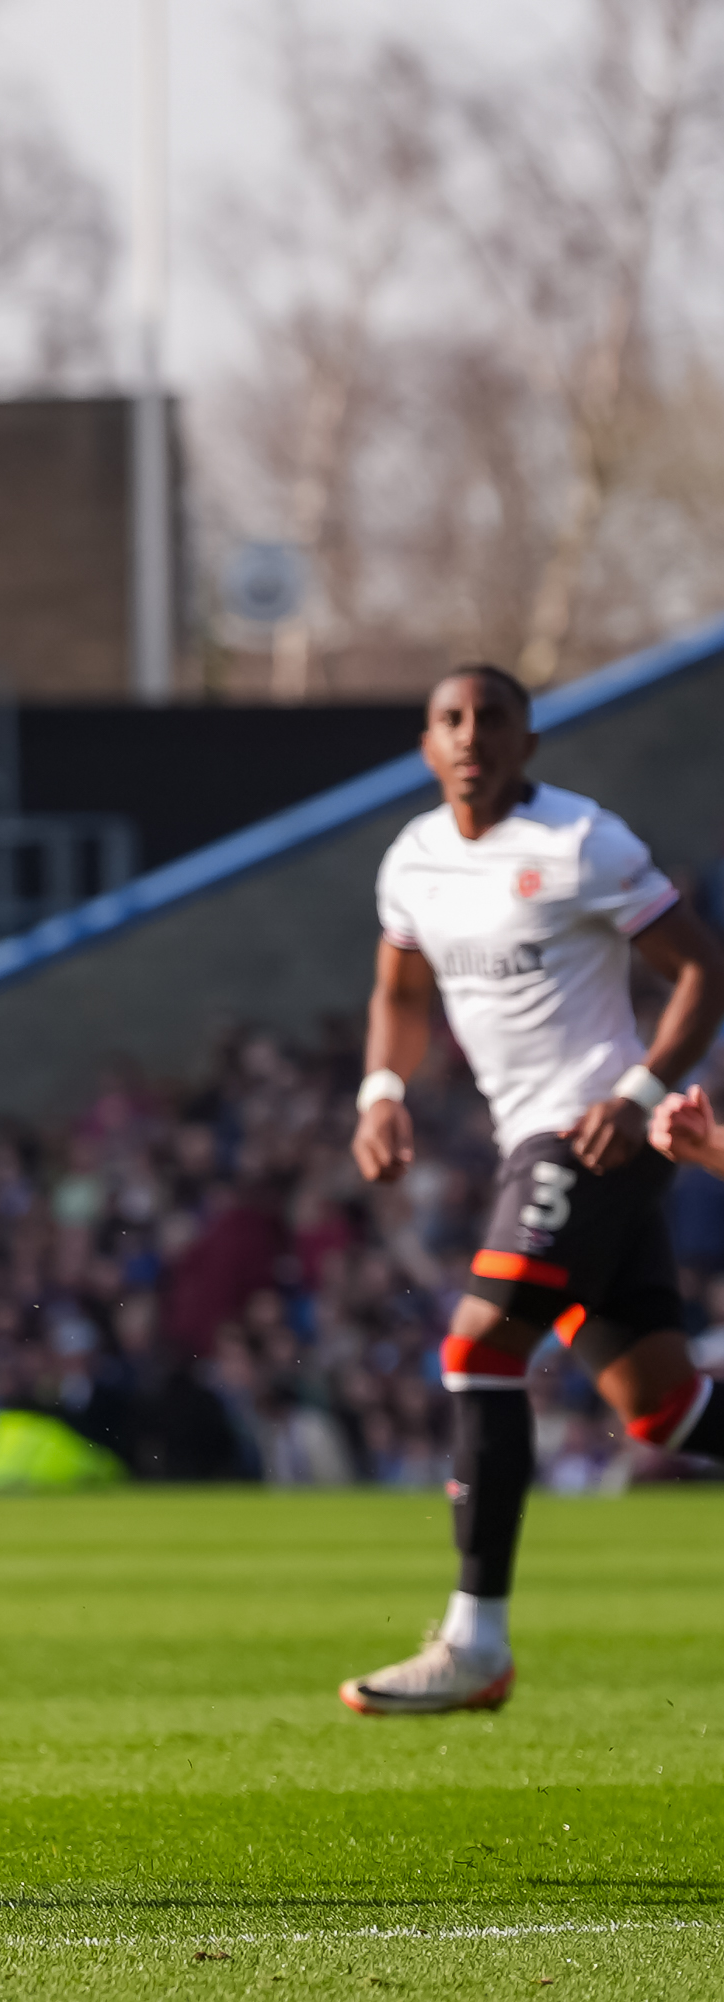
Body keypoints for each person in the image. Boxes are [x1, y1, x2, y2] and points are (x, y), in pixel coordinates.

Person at [342, 665, 724, 1716]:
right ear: (428, 745)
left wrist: (641, 1085)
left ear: (528, 742)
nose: (472, 736)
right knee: (664, 1407)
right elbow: (399, 989)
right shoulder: (414, 860)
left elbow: (704, 968)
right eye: (452, 720)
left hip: (600, 1128)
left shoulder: (582, 843)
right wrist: (382, 1090)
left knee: (479, 1343)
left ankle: (477, 1641)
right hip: (533, 1137)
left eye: (493, 719)